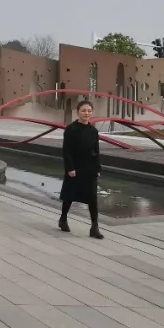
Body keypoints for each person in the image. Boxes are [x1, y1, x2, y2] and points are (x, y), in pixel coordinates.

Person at [60, 100, 103, 239]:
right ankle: (63, 218)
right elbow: (67, 151)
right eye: (84, 110)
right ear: (78, 112)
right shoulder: (71, 129)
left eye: (89, 111)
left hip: (89, 168)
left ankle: (94, 227)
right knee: (69, 195)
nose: (86, 113)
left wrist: (97, 168)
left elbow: (96, 151)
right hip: (75, 167)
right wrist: (70, 168)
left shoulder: (93, 131)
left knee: (93, 198)